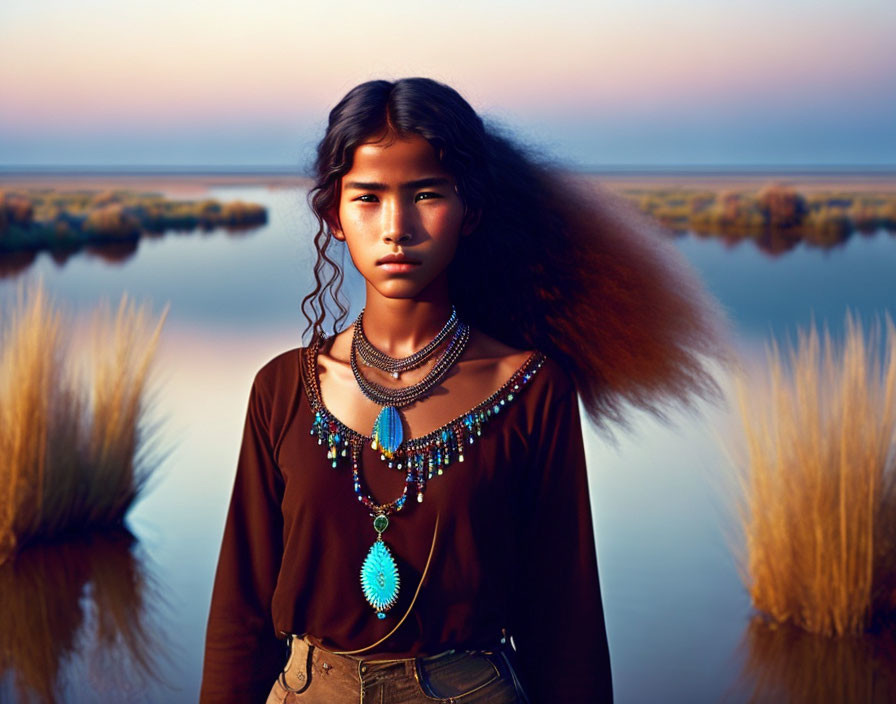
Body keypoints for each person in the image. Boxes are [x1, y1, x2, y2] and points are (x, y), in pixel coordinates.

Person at [199, 77, 729, 704]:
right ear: (334, 216)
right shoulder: (283, 387)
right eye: (367, 197)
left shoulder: (530, 388)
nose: (396, 227)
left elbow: (565, 621)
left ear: (469, 210)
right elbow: (241, 612)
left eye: (425, 194)